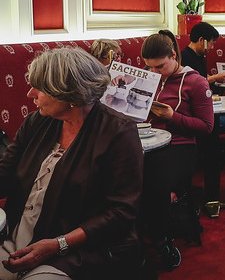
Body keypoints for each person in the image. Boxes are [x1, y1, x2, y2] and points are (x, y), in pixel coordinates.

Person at [0, 48, 143, 279]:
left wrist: (58, 244)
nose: (30, 94)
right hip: (16, 240)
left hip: (77, 251)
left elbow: (121, 212)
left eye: (40, 88)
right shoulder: (37, 122)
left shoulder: (118, 132)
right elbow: (4, 175)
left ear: (70, 95)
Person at [140, 30, 214, 269]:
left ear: (174, 55)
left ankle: (162, 240)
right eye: (149, 68)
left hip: (181, 147)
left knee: (153, 179)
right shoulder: (150, 79)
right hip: (147, 143)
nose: (154, 73)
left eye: (160, 66)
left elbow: (206, 127)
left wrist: (172, 116)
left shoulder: (196, 82)